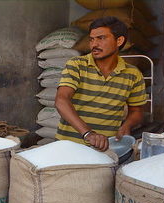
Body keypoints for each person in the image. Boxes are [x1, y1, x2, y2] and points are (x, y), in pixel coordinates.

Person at [55, 16, 147, 151]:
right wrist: (88, 133)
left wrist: (127, 125)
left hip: (105, 149)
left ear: (119, 41)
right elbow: (61, 100)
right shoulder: (77, 64)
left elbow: (137, 111)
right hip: (68, 147)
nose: (94, 44)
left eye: (101, 38)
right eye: (92, 39)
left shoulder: (133, 74)